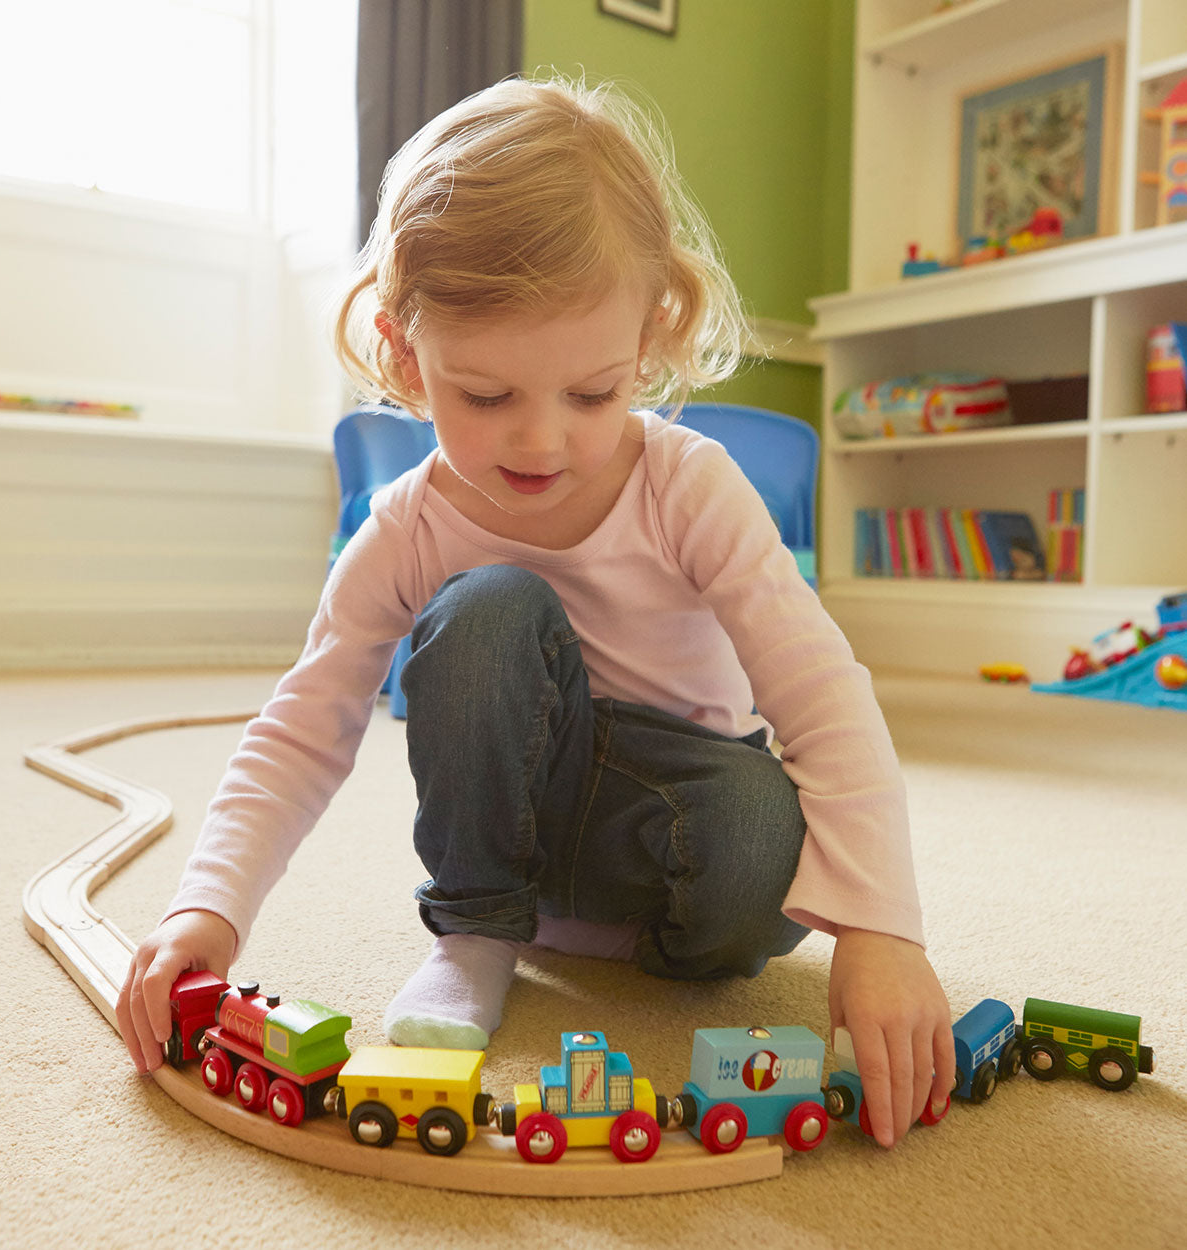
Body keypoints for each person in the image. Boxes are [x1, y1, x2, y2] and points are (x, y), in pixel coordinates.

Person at [116, 76, 954, 1148]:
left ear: (651, 338)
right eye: (486, 395)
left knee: (766, 821)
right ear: (403, 349)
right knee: (490, 608)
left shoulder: (688, 484)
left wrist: (882, 927)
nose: (541, 442)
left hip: (675, 827)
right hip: (509, 822)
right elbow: (305, 716)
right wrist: (208, 904)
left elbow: (818, 687)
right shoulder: (405, 527)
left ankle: (645, 941)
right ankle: (475, 933)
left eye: (591, 394)